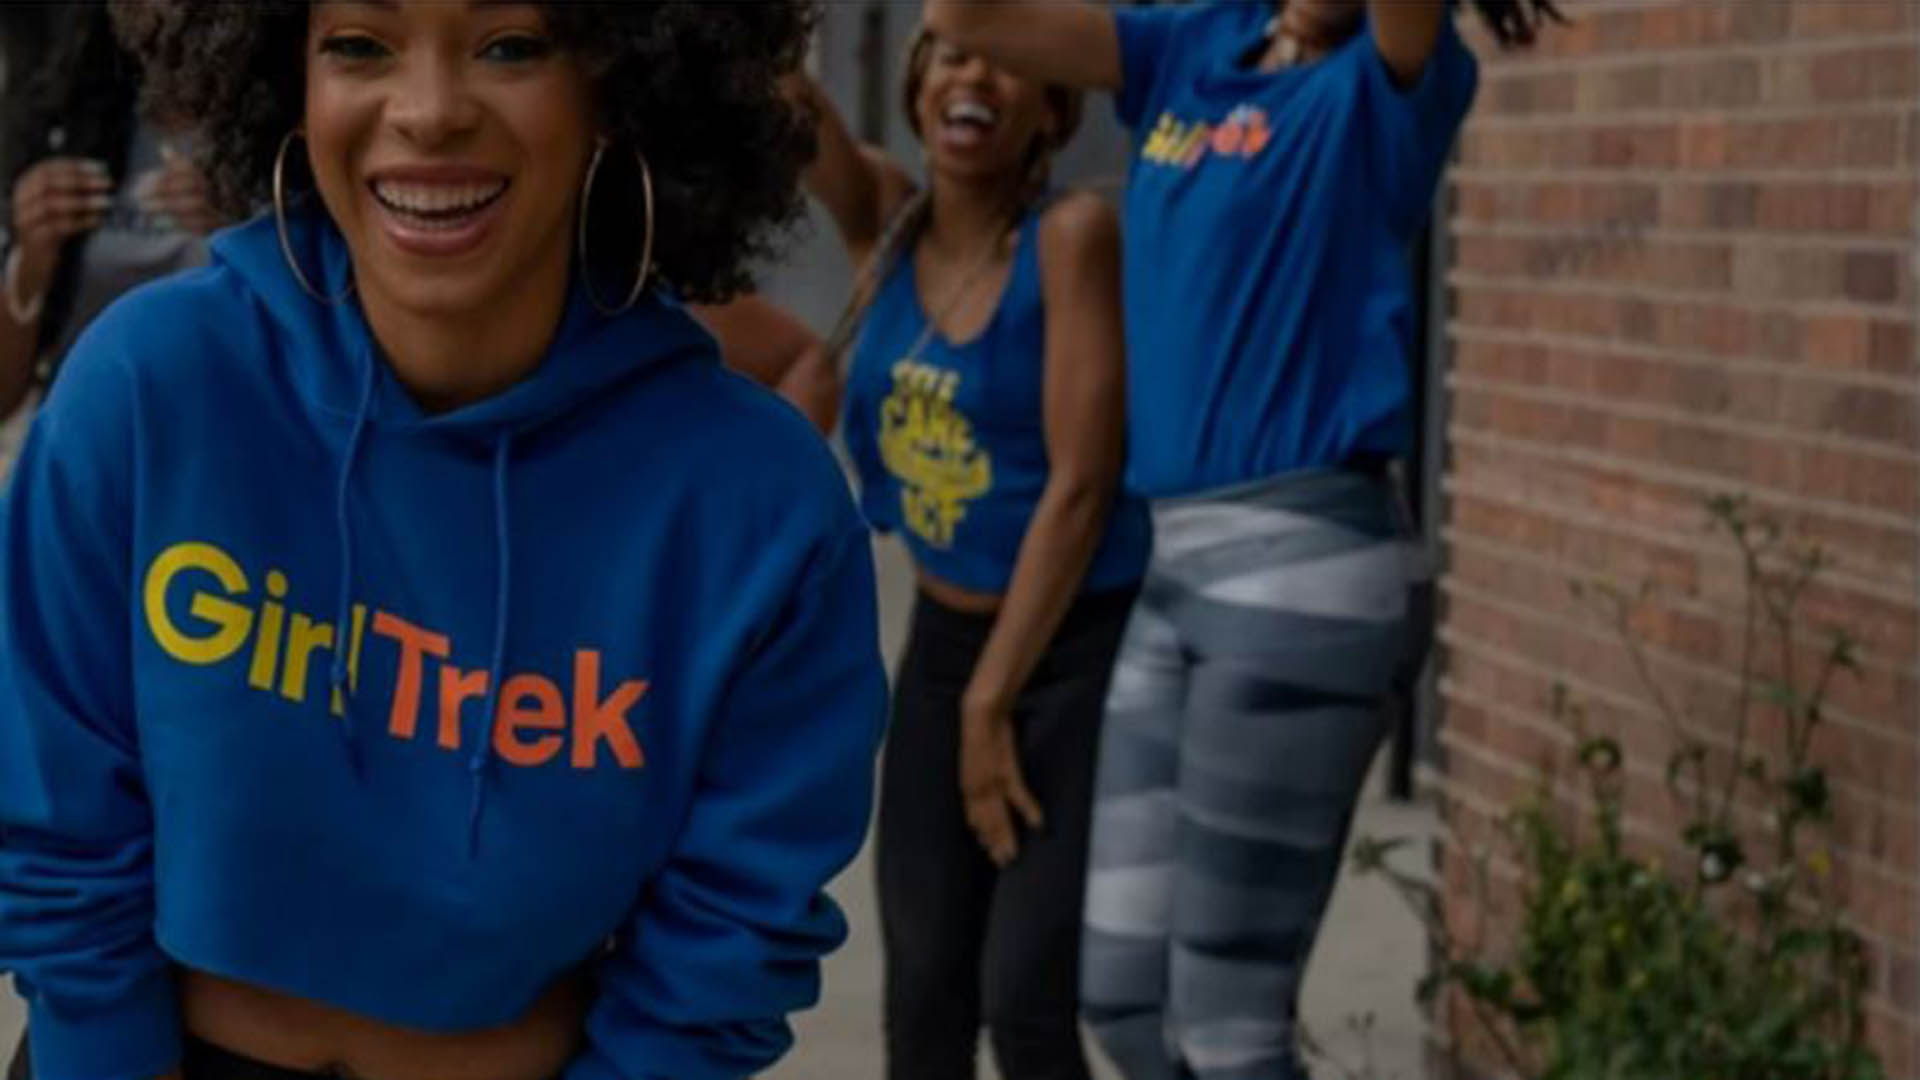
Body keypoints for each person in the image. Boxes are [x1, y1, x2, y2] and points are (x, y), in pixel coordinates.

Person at [0, 4, 885, 1080]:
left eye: (509, 45)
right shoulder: (149, 388)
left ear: (617, 87)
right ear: (289, 79)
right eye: (359, 46)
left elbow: (729, 946)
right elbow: (59, 834)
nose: (426, 113)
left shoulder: (758, 508)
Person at [918, 0, 1557, 1077]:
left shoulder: (1387, 82)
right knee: (1123, 1006)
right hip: (1176, 567)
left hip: (1303, 563)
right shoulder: (1191, 44)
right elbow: (960, 15)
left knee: (1226, 1025)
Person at [787, 27, 1148, 1080]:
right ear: (914, 88)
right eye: (945, 55)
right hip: (945, 648)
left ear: (1052, 106)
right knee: (925, 993)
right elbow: (788, 107)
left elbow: (1081, 488)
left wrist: (995, 705)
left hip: (1069, 652)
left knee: (1025, 1000)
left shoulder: (1070, 237)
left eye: (1001, 58)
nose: (969, 75)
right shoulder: (887, 223)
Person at [0, 1, 225, 463]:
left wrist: (244, 230)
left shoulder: (280, 141)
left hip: (218, 450)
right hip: (80, 453)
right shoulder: (70, 126)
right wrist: (31, 259)